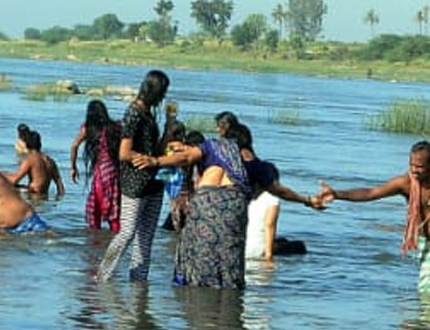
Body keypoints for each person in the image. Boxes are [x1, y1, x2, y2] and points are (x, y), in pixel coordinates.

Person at [317, 140, 430, 292]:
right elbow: (371, 193)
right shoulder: (405, 183)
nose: (414, 170)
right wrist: (337, 194)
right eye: (411, 165)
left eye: (419, 167)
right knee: (428, 290)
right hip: (428, 243)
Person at [148, 129, 253, 288]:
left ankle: (194, 281)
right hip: (225, 207)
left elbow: (175, 168)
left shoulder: (205, 151)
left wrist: (154, 161)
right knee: (227, 252)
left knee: (193, 247)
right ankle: (224, 285)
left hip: (197, 205)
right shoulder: (237, 164)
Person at [98, 70, 170, 282]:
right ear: (153, 91)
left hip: (153, 181)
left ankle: (139, 284)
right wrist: (146, 159)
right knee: (127, 232)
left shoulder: (149, 113)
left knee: (146, 238)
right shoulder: (134, 113)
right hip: (134, 183)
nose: (164, 97)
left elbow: (156, 150)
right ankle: (103, 276)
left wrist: (168, 129)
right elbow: (124, 153)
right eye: (162, 92)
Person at [223, 123, 322, 260]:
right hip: (252, 250)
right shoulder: (270, 197)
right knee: (297, 245)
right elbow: (269, 226)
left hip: (230, 246)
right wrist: (268, 258)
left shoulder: (228, 175)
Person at [70, 100, 122, 232]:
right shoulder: (114, 127)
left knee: (95, 209)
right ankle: (115, 238)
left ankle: (95, 242)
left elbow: (74, 146)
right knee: (112, 208)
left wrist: (73, 167)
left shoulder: (88, 128)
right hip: (114, 171)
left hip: (100, 172)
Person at [9, 130, 65, 198]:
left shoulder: (30, 160)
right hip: (44, 196)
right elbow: (60, 187)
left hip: (33, 196)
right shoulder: (50, 161)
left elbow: (14, 180)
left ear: (27, 145)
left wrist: (1, 175)